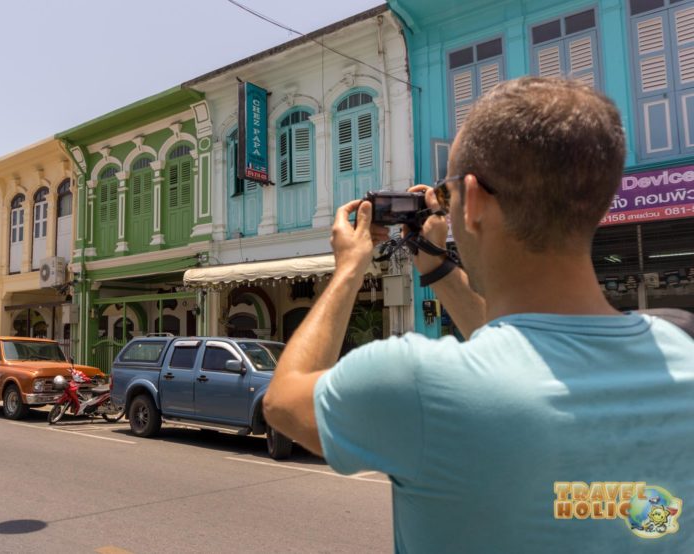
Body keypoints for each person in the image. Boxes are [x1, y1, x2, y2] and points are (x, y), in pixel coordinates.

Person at [264, 77, 694, 552]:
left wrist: (348, 271)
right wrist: (435, 263)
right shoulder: (679, 351)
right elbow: (525, 349)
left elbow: (283, 400)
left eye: (447, 195)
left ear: (475, 201)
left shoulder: (419, 383)